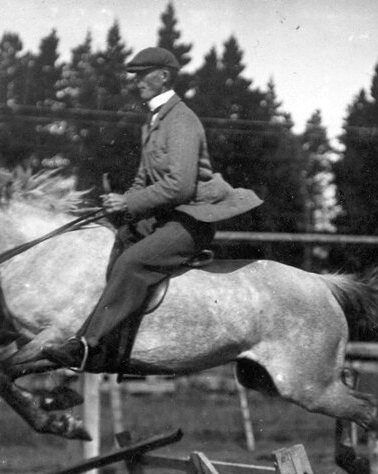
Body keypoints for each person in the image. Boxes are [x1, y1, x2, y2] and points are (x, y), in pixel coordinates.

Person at [43, 46, 262, 372]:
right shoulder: (155, 121)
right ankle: (115, 350)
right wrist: (121, 203)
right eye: (135, 76)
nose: (137, 82)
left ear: (164, 77)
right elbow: (143, 179)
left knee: (132, 263)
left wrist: (130, 202)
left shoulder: (182, 121)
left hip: (191, 220)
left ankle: (88, 346)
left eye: (143, 75)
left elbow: (181, 186)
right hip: (166, 216)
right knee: (118, 241)